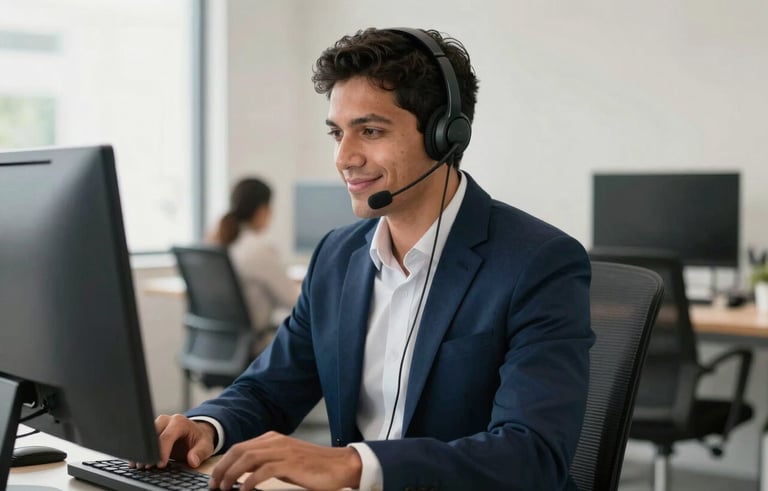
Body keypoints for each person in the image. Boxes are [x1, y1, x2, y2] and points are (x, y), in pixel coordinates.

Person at [149, 28, 593, 490]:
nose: (344, 157)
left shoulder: (538, 263)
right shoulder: (338, 256)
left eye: (371, 131)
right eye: (337, 133)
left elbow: (531, 454)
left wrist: (355, 465)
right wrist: (206, 427)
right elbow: (268, 387)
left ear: (446, 135)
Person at [209, 177, 300, 351]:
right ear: (262, 210)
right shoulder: (258, 250)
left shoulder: (217, 242)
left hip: (213, 347)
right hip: (249, 349)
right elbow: (293, 301)